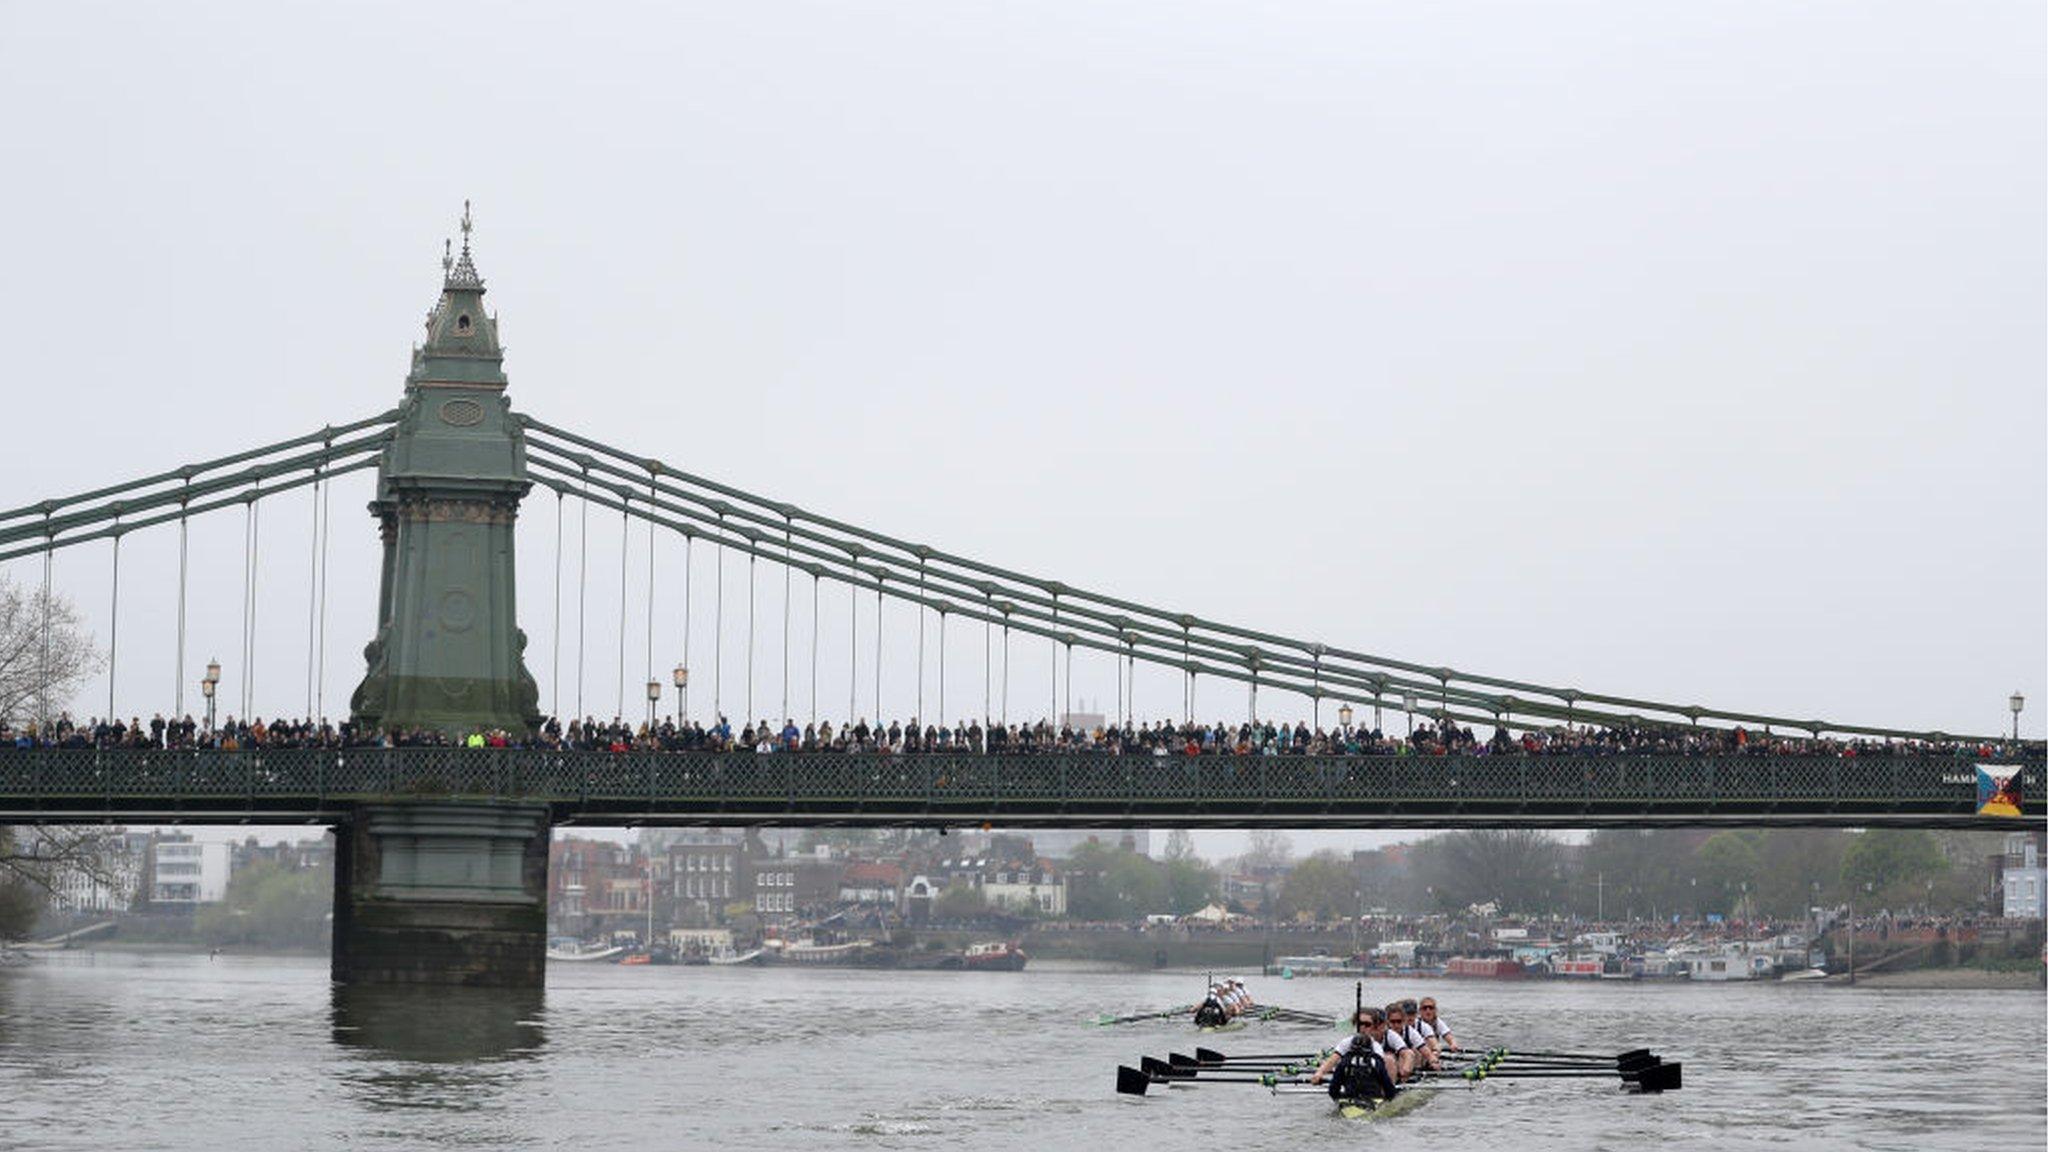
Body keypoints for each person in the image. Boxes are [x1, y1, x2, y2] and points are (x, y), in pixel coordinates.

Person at [1310, 1008, 1397, 1102]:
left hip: (1373, 1087)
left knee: (1389, 1060)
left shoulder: (1376, 1047)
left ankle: (1383, 1098)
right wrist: (1319, 1073)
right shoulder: (1346, 1042)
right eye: (1360, 1024)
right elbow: (1333, 1059)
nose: (1362, 1028)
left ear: (1374, 1026)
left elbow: (1381, 1070)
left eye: (1367, 1024)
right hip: (1352, 1086)